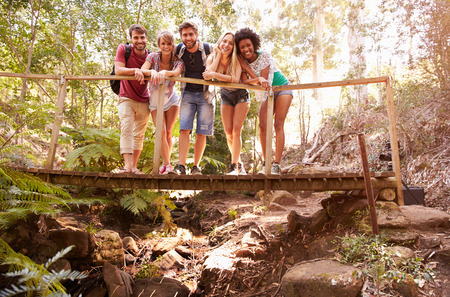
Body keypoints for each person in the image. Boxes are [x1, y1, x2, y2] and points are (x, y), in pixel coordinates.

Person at [235, 28, 293, 175]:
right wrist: (245, 68)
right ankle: (266, 163)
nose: (246, 49)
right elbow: (245, 81)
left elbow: (264, 81)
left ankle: (276, 165)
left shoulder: (264, 55)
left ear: (254, 44)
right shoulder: (242, 60)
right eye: (242, 47)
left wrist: (246, 68)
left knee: (278, 124)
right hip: (268, 94)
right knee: (262, 125)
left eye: (248, 45)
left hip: (281, 88)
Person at [169, 21, 214, 175]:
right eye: (184, 35)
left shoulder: (209, 49)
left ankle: (195, 167)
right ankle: (181, 166)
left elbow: (224, 61)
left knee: (202, 131)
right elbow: (163, 57)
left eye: (190, 34)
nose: (188, 38)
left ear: (196, 35)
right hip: (187, 93)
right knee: (184, 129)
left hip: (206, 95)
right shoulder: (178, 50)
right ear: (181, 36)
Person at [203, 31, 249, 175]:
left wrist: (215, 75)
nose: (226, 45)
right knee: (228, 133)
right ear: (219, 42)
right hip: (226, 95)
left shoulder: (237, 58)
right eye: (224, 41)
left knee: (236, 131)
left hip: (240, 94)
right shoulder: (212, 57)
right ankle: (239, 163)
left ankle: (234, 166)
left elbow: (234, 79)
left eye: (230, 43)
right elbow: (207, 75)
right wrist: (217, 55)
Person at [139, 31, 183, 174]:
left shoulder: (177, 60)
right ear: (159, 45)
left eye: (169, 43)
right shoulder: (152, 57)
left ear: (172, 45)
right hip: (155, 99)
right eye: (163, 43)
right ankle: (168, 164)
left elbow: (176, 72)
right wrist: (152, 72)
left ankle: (165, 165)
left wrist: (165, 73)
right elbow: (143, 70)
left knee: (169, 132)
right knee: (161, 131)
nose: (166, 46)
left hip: (171, 98)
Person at [114, 24, 151, 174]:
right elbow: (118, 70)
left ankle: (134, 167)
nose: (139, 40)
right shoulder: (124, 49)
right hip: (126, 97)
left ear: (146, 38)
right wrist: (136, 70)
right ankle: (127, 166)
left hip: (144, 99)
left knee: (139, 135)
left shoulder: (150, 55)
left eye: (142, 37)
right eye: (136, 38)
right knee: (127, 129)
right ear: (131, 39)